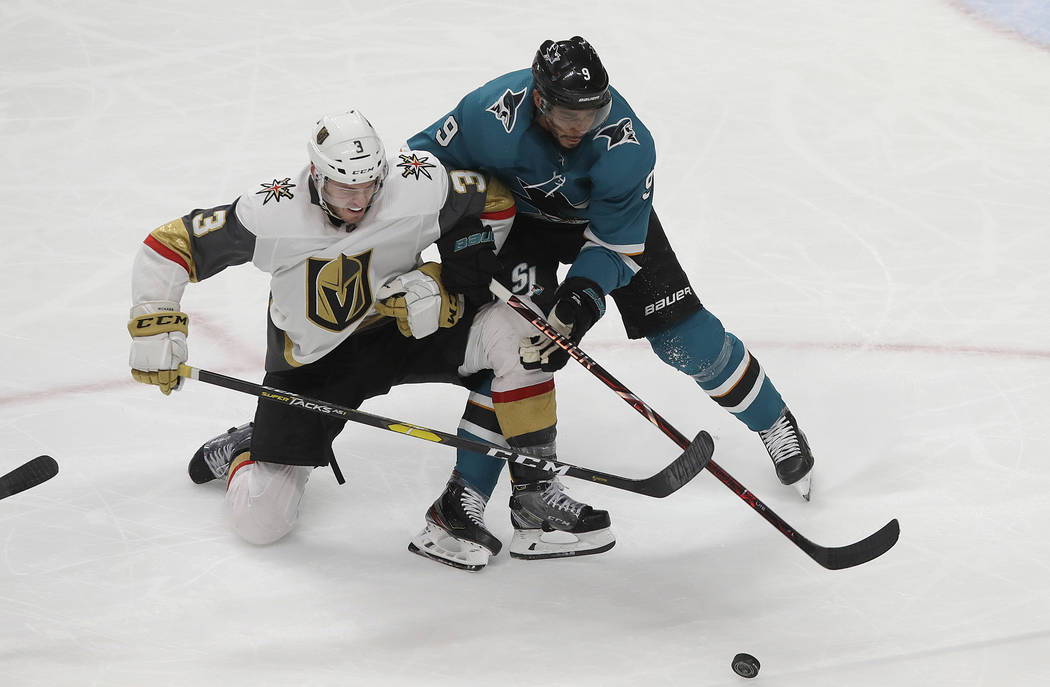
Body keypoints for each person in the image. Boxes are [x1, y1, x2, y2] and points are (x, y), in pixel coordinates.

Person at [126, 108, 613, 571]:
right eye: (343, 188)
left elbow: (495, 201)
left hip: (404, 329)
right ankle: (245, 451)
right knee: (262, 523)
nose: (358, 201)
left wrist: (443, 279)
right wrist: (154, 322)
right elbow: (171, 244)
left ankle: (534, 495)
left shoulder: (416, 181)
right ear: (316, 176)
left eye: (368, 186)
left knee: (523, 335)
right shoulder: (272, 211)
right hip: (314, 364)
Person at [403, 36, 816, 561]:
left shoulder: (627, 145)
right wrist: (466, 231)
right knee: (515, 343)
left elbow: (616, 244)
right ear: (538, 99)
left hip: (606, 228)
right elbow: (419, 166)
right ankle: (466, 499)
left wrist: (583, 297)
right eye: (567, 115)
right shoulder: (490, 113)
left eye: (592, 112)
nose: (580, 126)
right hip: (521, 225)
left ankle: (773, 421)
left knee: (685, 341)